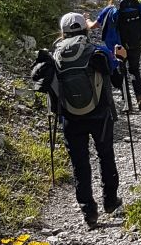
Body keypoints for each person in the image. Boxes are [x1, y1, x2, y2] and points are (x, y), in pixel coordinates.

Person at [31, 12, 125, 229]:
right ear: (86, 29)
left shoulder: (55, 56)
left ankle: (88, 212)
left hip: (70, 118)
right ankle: (110, 201)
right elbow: (118, 79)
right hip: (100, 114)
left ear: (63, 33)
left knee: (80, 163)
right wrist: (120, 58)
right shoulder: (98, 51)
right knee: (105, 155)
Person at [90, 0, 141, 111]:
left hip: (118, 47)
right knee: (134, 70)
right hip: (135, 44)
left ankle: (127, 103)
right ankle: (140, 98)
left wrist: (86, 20)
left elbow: (93, 26)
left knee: (122, 71)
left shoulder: (110, 9)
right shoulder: (137, 6)